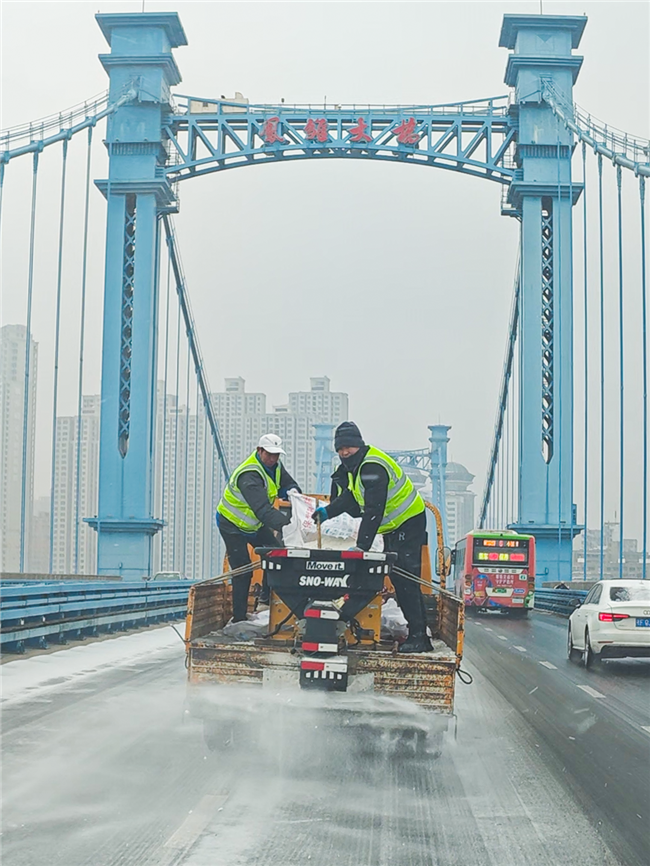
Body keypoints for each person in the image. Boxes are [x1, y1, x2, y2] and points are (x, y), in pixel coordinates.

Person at [312, 421, 433, 653]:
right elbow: (351, 498)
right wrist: (328, 512)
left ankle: (419, 638)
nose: (344, 452)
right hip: (394, 527)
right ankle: (417, 634)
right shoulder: (357, 468)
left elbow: (373, 510)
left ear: (359, 444)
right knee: (399, 578)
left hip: (408, 522)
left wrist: (362, 547)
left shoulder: (372, 467)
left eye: (348, 447)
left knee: (406, 580)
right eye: (340, 449)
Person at [217, 434, 301, 622]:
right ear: (259, 451)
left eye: (276, 455)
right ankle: (239, 618)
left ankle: (265, 600)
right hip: (232, 524)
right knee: (243, 569)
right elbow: (263, 510)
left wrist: (293, 491)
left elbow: (287, 483)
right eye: (269, 454)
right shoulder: (249, 475)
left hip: (253, 525)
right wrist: (290, 527)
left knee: (277, 555)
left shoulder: (275, 467)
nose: (273, 458)